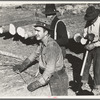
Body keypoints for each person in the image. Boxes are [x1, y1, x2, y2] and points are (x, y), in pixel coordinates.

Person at [13, 21, 68, 96]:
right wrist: (23, 66)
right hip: (49, 75)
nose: (36, 33)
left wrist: (37, 83)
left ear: (45, 33)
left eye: (38, 31)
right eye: (35, 31)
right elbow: (35, 54)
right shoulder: (43, 43)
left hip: (57, 77)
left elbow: (50, 69)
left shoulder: (51, 47)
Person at [80, 6, 100, 95]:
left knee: (97, 67)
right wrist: (86, 36)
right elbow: (84, 32)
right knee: (85, 64)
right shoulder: (88, 21)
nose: (90, 20)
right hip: (88, 44)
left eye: (92, 19)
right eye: (89, 19)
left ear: (96, 17)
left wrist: (94, 45)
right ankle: (84, 83)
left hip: (98, 46)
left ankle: (97, 87)